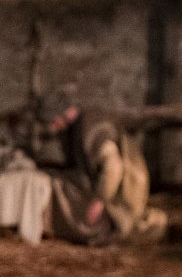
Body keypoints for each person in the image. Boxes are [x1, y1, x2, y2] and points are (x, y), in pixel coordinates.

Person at [46, 103, 162, 245]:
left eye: (54, 121)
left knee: (121, 225)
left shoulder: (92, 128)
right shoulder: (78, 126)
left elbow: (113, 168)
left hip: (123, 187)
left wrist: (100, 200)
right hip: (108, 184)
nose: (54, 127)